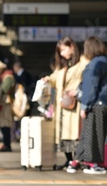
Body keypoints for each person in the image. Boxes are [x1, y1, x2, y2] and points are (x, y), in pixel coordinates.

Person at [41, 36, 90, 171]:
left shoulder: (84, 62)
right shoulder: (62, 65)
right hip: (62, 104)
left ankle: (77, 159)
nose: (62, 54)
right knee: (63, 133)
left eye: (63, 50)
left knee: (75, 132)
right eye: (60, 51)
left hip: (74, 103)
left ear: (72, 47)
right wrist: (48, 79)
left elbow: (89, 79)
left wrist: (78, 90)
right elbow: (54, 78)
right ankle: (69, 160)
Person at [69, 36, 107, 174]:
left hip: (97, 104)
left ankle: (95, 164)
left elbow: (90, 87)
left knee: (92, 134)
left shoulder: (94, 64)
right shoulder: (105, 61)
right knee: (102, 135)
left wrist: (84, 106)